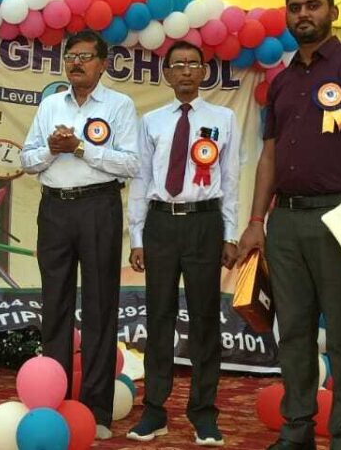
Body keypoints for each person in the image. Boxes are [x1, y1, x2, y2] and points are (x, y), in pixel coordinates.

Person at [236, 0, 341, 450]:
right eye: (295, 7)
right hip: (285, 221)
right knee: (293, 333)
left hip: (340, 215)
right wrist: (257, 221)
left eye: (313, 5)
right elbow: (269, 154)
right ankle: (297, 431)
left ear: (333, 12)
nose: (303, 14)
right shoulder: (282, 82)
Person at [21, 29, 140, 440]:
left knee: (99, 306)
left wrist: (80, 148)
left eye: (85, 57)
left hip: (98, 207)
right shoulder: (51, 104)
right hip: (54, 208)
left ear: (103, 64)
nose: (76, 63)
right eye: (71, 56)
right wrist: (52, 150)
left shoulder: (119, 106)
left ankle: (96, 409)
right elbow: (27, 159)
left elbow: (131, 164)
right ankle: (52, 400)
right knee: (54, 304)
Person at [125, 41, 238, 446]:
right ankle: (154, 410)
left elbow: (231, 178)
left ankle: (203, 413)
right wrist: (137, 236)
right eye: (178, 65)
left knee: (205, 318)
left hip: (205, 223)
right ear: (168, 74)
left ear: (204, 71)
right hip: (160, 224)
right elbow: (140, 180)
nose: (186, 70)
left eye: (193, 64)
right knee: (159, 316)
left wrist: (230, 233)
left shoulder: (224, 118)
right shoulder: (152, 121)